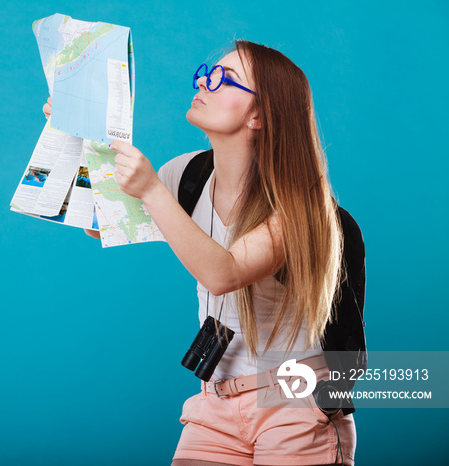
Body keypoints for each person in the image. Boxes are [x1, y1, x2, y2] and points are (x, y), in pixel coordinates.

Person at [42, 40, 355, 466]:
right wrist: (83, 138)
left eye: (226, 79)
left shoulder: (301, 208)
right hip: (217, 402)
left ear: (260, 116)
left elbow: (223, 273)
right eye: (209, 72)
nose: (206, 82)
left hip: (294, 405)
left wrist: (151, 189)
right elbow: (101, 224)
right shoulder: (188, 173)